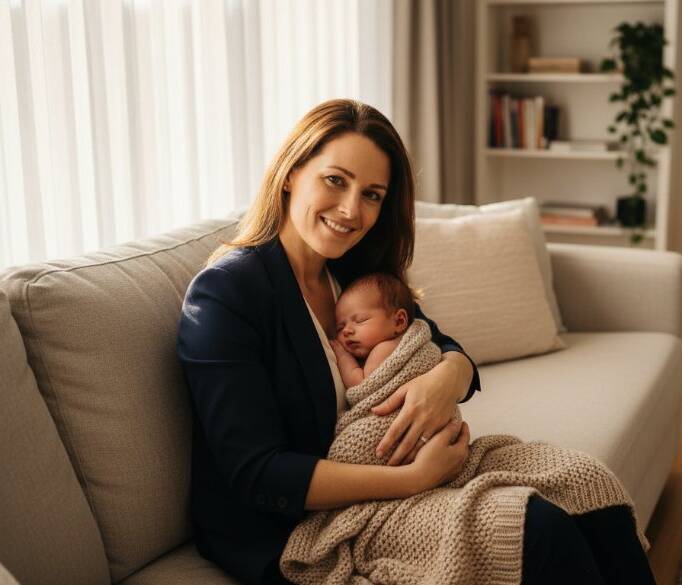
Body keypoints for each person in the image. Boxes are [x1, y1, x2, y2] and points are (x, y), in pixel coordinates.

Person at [176, 98, 655, 585]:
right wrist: (414, 479)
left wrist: (448, 376)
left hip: (402, 474)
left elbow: (440, 342)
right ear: (290, 172)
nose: (350, 210)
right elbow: (258, 473)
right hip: (298, 525)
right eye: (335, 180)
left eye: (372, 194)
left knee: (584, 482)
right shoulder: (226, 294)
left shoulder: (351, 271)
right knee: (537, 531)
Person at [330, 272, 414, 389]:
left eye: (360, 320)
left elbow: (362, 385)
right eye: (340, 327)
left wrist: (343, 357)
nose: (346, 331)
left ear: (399, 321)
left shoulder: (384, 349)